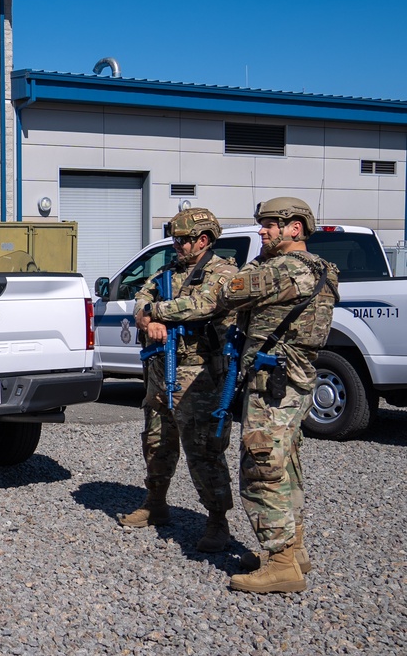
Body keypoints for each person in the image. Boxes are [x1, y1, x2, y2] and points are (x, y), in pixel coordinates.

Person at [217, 197, 338, 594]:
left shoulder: (279, 271)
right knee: (286, 465)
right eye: (262, 223)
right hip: (297, 379)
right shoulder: (322, 269)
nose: (262, 231)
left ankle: (282, 563)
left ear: (296, 228)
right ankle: (293, 549)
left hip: (273, 384)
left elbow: (225, 292)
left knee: (261, 467)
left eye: (271, 224)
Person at [120, 208, 238, 553]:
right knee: (156, 440)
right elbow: (142, 298)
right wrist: (145, 321)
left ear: (203, 240)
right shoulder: (167, 272)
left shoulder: (225, 272)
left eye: (184, 240)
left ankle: (218, 521)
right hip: (161, 371)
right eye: (176, 239)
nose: (178, 246)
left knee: (204, 450)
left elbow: (202, 305)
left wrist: (155, 313)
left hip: (200, 374)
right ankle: (155, 503)